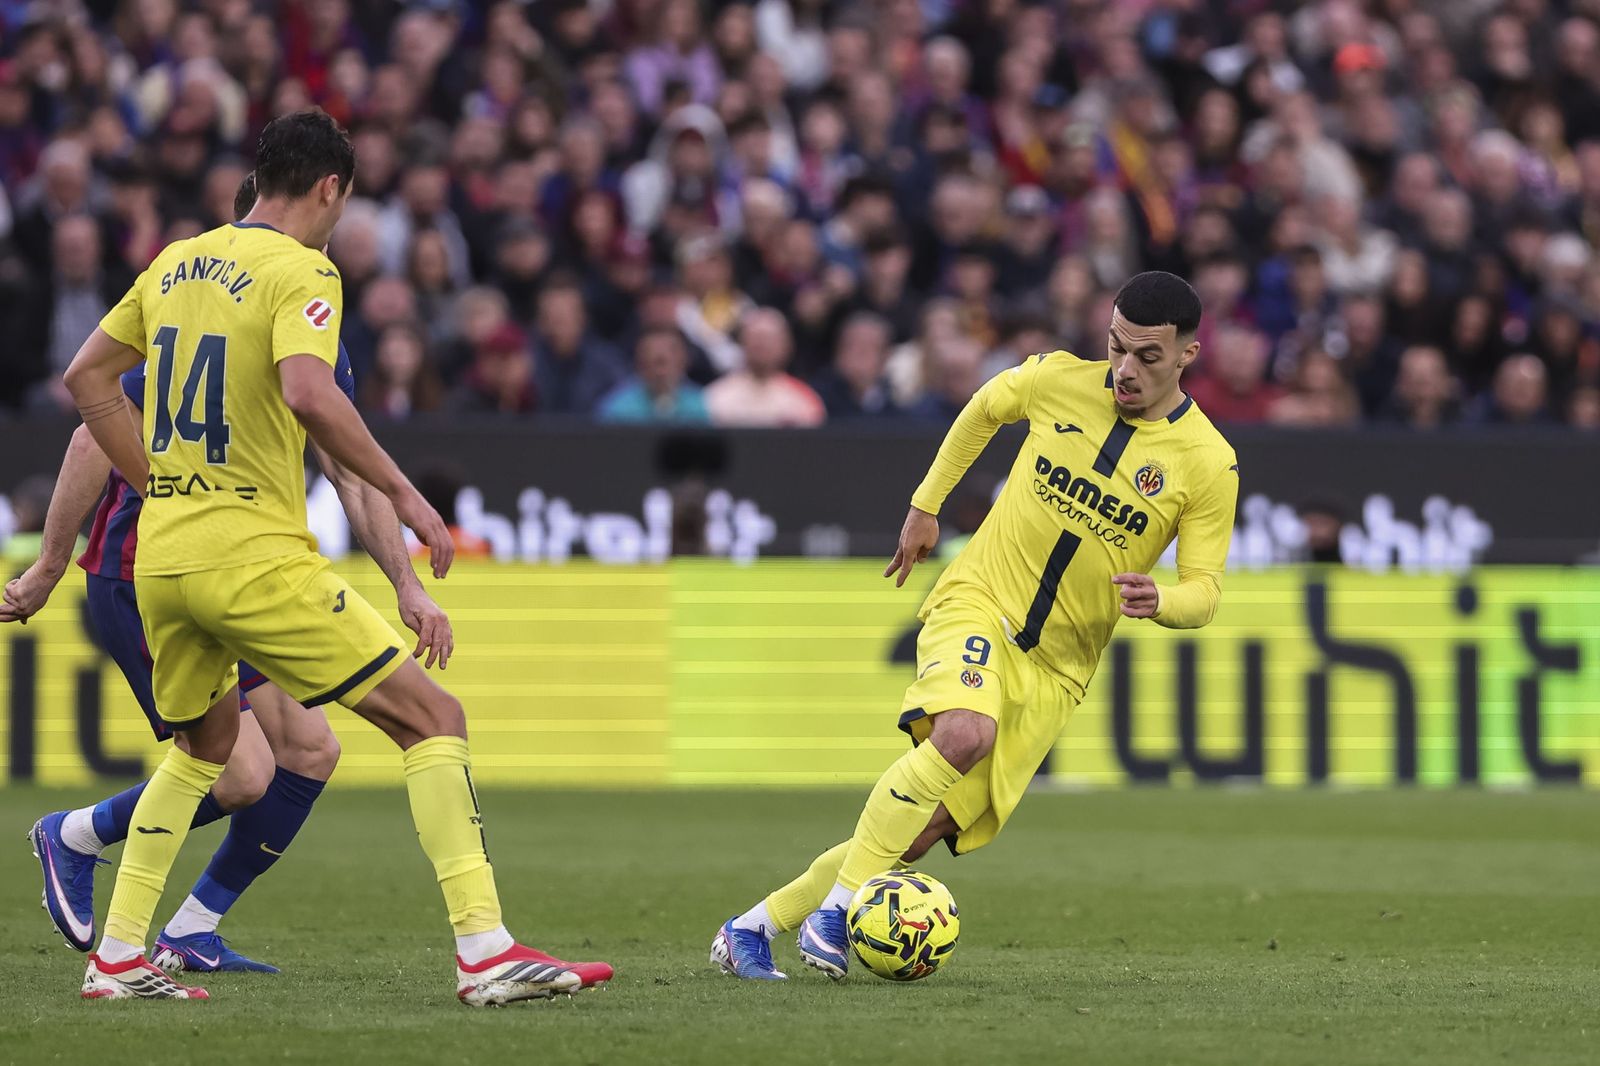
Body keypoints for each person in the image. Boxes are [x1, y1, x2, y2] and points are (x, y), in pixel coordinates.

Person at [56, 110, 610, 1003]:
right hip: (253, 559)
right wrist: (406, 493)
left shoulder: (175, 263)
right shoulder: (303, 270)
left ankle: (117, 956)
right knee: (433, 717)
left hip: (161, 560)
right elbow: (311, 395)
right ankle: (485, 951)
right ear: (329, 188)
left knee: (204, 750)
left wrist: (156, 483)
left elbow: (86, 379)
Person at [710, 272, 1239, 980]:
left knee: (916, 834)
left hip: (1058, 670)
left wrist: (1162, 600)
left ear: (1187, 355)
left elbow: (1205, 591)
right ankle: (834, 913)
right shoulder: (1056, 379)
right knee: (964, 732)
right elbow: (985, 408)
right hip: (980, 602)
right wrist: (926, 505)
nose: (1125, 369)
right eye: (1117, 347)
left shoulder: (1208, 462)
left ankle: (751, 928)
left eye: (1148, 356)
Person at [8, 171, 453, 976]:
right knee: (241, 770)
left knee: (310, 751)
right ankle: (75, 838)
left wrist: (407, 584)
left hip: (235, 570)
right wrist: (48, 564)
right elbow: (87, 433)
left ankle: (191, 928)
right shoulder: (208, 307)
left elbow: (347, 474)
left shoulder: (308, 324)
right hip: (144, 567)